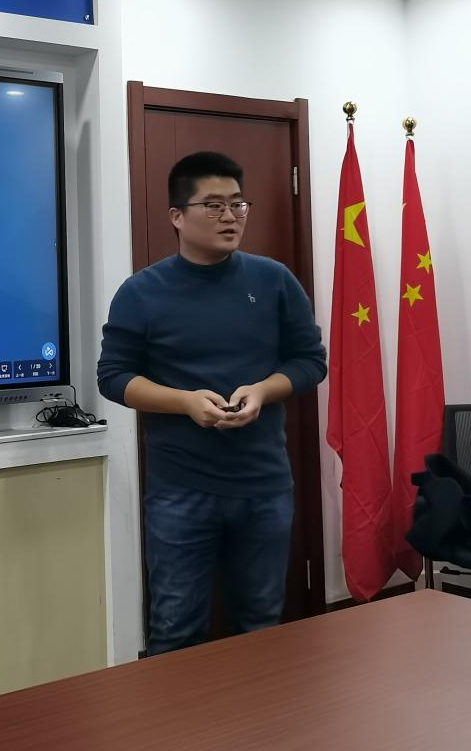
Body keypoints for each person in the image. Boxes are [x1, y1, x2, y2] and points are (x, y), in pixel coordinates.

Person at [97, 151, 326, 655]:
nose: (230, 217)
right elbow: (113, 378)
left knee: (260, 626)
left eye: (238, 204)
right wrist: (184, 402)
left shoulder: (274, 281)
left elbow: (310, 361)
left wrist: (263, 390)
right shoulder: (141, 292)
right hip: (180, 490)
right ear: (177, 216)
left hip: (264, 485)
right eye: (214, 205)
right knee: (177, 631)